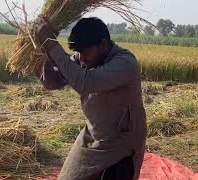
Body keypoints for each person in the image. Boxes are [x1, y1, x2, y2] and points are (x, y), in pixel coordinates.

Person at [35, 17, 147, 180]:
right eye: (78, 52)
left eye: (85, 52)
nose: (81, 58)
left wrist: (51, 42)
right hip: (94, 135)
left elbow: (85, 83)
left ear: (103, 45)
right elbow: (52, 82)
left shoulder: (125, 63)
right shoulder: (82, 59)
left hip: (121, 143)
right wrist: (44, 50)